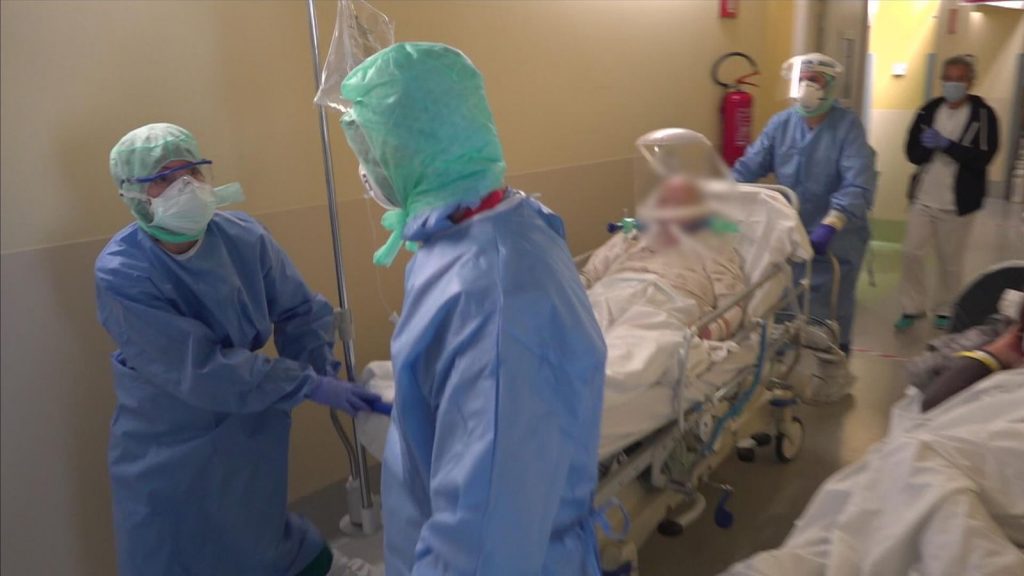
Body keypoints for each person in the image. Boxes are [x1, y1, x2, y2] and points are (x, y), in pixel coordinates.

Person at [339, 43, 607, 575]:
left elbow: (485, 536)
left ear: (411, 150)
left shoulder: (497, 295)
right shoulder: (490, 226)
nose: (367, 170)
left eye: (370, 150)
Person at [95, 123, 380, 576]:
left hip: (249, 424)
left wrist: (319, 369)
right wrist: (305, 384)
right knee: (179, 546)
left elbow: (301, 311)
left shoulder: (243, 237)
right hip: (169, 439)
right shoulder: (123, 271)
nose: (183, 187)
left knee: (258, 532)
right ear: (133, 195)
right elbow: (198, 368)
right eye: (164, 179)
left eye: (192, 172)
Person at [732, 53, 876, 355]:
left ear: (831, 86)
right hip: (791, 233)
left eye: (815, 80)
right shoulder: (781, 124)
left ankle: (833, 360)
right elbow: (749, 166)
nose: (807, 86)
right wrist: (719, 193)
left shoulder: (847, 127)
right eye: (802, 79)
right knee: (786, 300)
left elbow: (858, 183)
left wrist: (832, 223)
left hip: (836, 237)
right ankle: (785, 367)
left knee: (828, 307)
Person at [895, 55, 1000, 332]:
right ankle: (912, 306)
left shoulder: (983, 115)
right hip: (924, 197)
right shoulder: (928, 111)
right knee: (911, 253)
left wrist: (949, 145)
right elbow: (912, 152)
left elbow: (983, 157)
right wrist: (929, 147)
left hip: (958, 201)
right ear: (941, 80)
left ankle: (945, 308)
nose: (953, 84)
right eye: (949, 78)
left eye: (959, 79)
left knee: (949, 261)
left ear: (970, 82)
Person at [581, 176, 746, 341]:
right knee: (580, 331)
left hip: (667, 300)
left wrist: (712, 331)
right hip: (611, 292)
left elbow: (732, 301)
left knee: (632, 347)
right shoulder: (632, 235)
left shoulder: (711, 244)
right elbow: (589, 275)